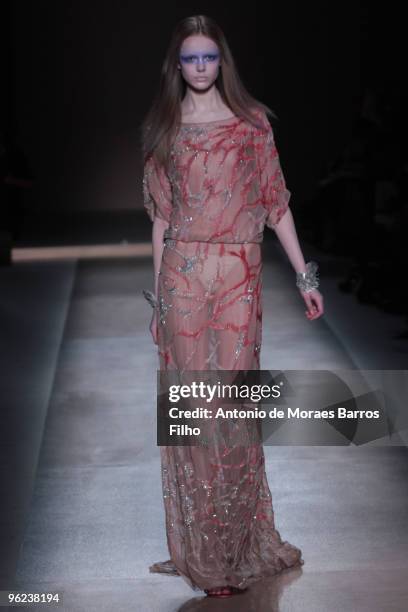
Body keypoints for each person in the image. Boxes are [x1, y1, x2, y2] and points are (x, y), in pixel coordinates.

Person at [141, 15, 324, 598]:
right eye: (190, 59)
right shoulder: (164, 129)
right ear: (178, 65)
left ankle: (235, 541)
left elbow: (276, 203)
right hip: (183, 277)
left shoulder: (252, 126)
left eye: (209, 58)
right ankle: (204, 552)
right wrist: (156, 301)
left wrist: (305, 276)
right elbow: (161, 219)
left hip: (239, 274)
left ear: (223, 62)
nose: (200, 68)